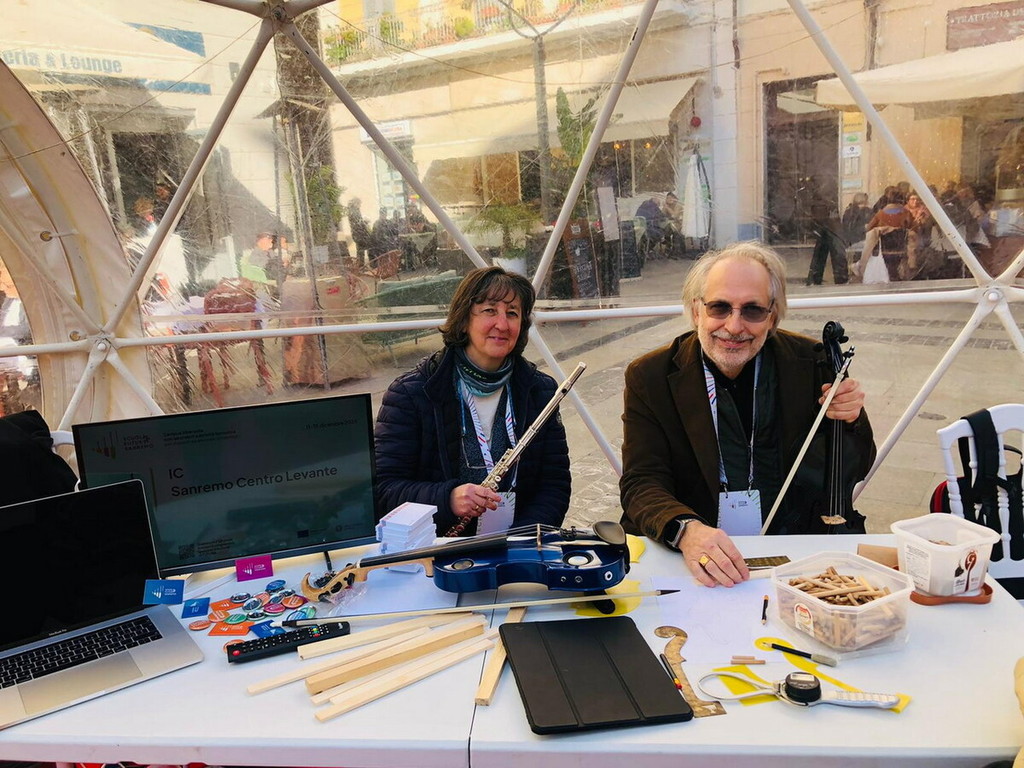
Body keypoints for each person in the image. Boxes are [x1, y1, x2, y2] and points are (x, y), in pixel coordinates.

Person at [619, 242, 876, 587]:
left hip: (790, 550)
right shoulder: (650, 375)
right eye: (719, 307)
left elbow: (854, 468)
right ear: (696, 311)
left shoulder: (813, 363)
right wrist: (686, 530)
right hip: (692, 557)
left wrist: (852, 419)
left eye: (753, 310)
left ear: (772, 316)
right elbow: (641, 482)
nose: (734, 326)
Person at [374, 266, 571, 536]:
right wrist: (447, 499)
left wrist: (519, 541)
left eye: (512, 313)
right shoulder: (410, 394)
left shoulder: (540, 390)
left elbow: (554, 485)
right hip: (439, 548)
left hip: (517, 544)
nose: (502, 324)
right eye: (489, 310)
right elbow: (384, 490)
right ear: (464, 318)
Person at [805, 192, 848, 286]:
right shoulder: (827, 206)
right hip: (831, 226)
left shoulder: (818, 205)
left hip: (825, 226)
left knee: (820, 253)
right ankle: (840, 279)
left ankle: (814, 279)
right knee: (834, 251)